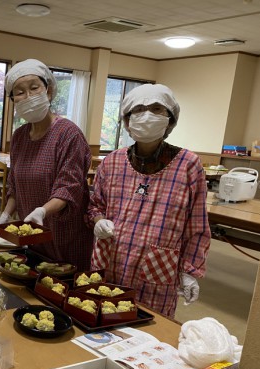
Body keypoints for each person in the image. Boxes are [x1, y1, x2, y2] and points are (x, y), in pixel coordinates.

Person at [87, 84, 211, 318]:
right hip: (111, 263)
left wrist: (190, 271)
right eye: (139, 109)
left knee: (150, 332)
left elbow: (197, 227)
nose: (147, 115)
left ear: (170, 120)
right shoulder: (112, 162)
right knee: (102, 323)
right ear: (126, 120)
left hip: (157, 272)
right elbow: (94, 206)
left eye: (156, 109)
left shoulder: (188, 166)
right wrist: (99, 221)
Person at [0, 59, 94, 270]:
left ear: (48, 91)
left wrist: (42, 211)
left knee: (63, 287)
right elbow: (15, 185)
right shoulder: (20, 136)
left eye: (34, 87)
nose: (28, 96)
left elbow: (69, 187)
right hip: (32, 231)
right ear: (13, 99)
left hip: (66, 233)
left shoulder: (68, 134)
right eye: (19, 92)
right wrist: (5, 216)